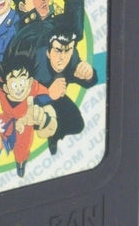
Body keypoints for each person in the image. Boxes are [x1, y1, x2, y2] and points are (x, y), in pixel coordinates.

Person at [0, 53, 57, 177]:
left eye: (22, 83)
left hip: (26, 121)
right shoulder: (0, 86)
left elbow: (45, 97)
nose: (19, 88)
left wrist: (40, 109)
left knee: (23, 147)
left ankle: (20, 165)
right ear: (6, 87)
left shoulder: (33, 86)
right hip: (7, 118)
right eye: (15, 85)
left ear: (29, 81)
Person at [33, 24, 97, 155]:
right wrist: (48, 95)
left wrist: (89, 75)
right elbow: (20, 96)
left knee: (77, 124)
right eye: (58, 51)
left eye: (68, 50)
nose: (63, 57)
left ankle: (55, 135)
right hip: (32, 101)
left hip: (57, 97)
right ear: (48, 52)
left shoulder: (72, 58)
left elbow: (87, 81)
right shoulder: (37, 62)